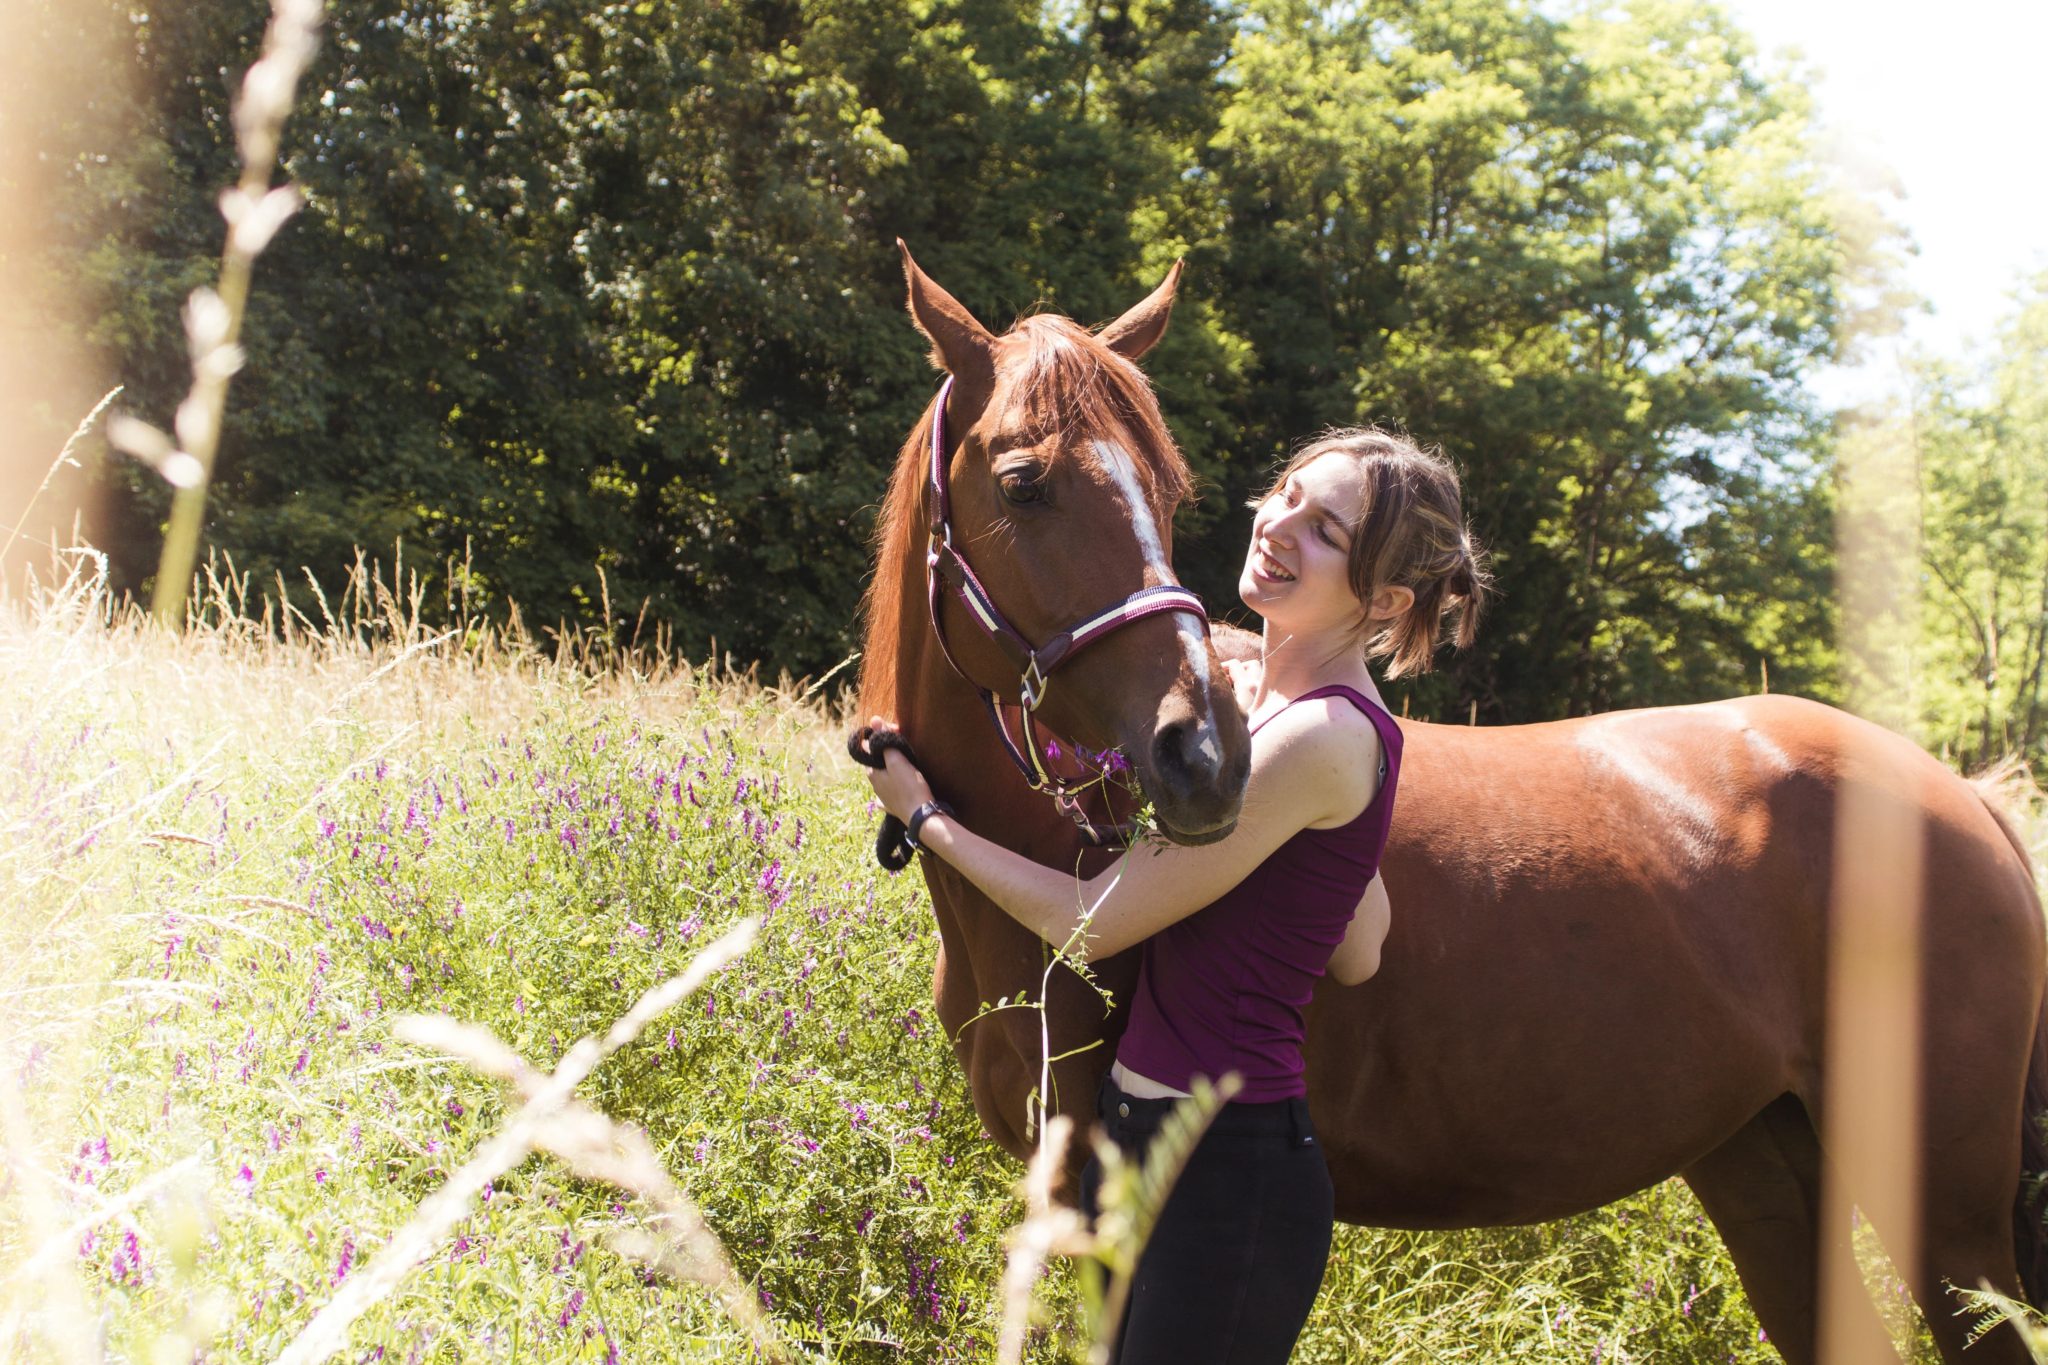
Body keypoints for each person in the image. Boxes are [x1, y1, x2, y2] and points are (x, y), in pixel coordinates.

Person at [864, 428, 1489, 1363]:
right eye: (1286, 492)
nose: (1279, 525)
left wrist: (923, 818)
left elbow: (1090, 924)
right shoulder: (1298, 717)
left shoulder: (1319, 733)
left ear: (1386, 600)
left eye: (1325, 531)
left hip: (1224, 1176)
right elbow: (1361, 946)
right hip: (1154, 1146)